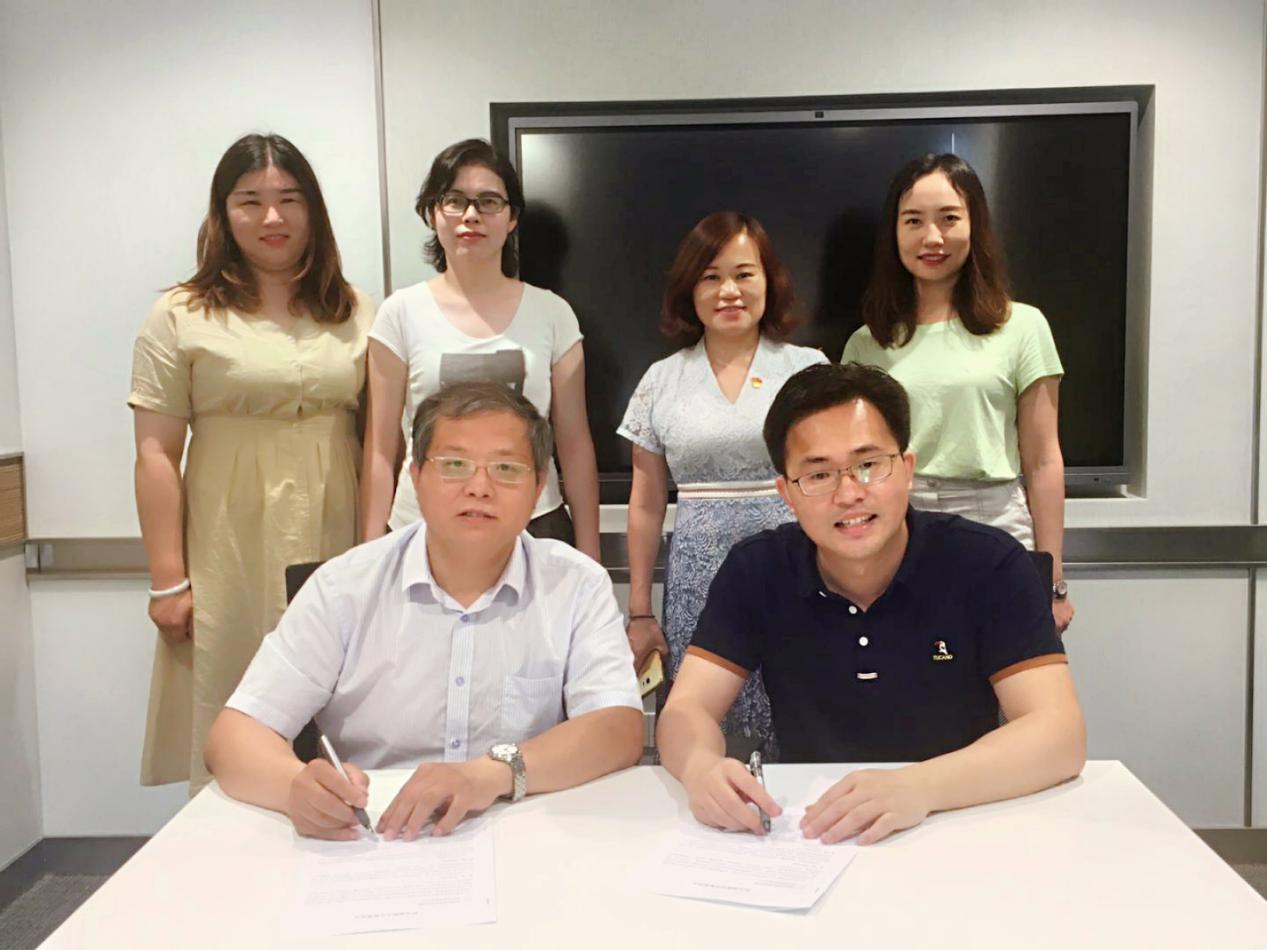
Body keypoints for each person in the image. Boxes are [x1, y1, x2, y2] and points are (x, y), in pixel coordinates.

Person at [657, 362, 1085, 845]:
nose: (849, 494)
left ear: (907, 469)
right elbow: (686, 709)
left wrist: (919, 787)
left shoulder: (987, 562)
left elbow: (1060, 733)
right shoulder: (757, 569)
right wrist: (700, 768)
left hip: (960, 820)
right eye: (819, 474)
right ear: (787, 494)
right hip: (814, 832)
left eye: (869, 465)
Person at [205, 382, 643, 841]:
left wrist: (491, 773)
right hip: (375, 837)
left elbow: (617, 728)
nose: (479, 488)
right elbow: (235, 736)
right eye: (454, 465)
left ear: (538, 489)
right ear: (415, 478)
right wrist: (294, 788)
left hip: (522, 834)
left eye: (506, 469)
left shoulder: (576, 584)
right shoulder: (344, 587)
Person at [129, 133, 375, 794]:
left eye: (289, 199)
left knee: (334, 691)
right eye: (250, 201)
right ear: (223, 213)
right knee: (232, 687)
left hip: (334, 527)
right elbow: (154, 453)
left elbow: (382, 443)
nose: (272, 217)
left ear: (313, 210)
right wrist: (167, 580)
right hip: (226, 538)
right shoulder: (179, 314)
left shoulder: (355, 310)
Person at [619, 211, 826, 758]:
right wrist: (640, 610)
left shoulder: (807, 371)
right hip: (696, 580)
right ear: (689, 289)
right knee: (702, 721)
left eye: (744, 274)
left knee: (803, 702)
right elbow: (645, 504)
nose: (728, 291)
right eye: (711, 277)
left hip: (797, 569)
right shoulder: (661, 379)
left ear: (769, 281)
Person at [842, 153, 1074, 632]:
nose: (932, 237)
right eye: (913, 221)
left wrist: (1053, 579)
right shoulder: (867, 342)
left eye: (949, 218)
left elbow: (1043, 461)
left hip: (996, 520)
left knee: (1007, 669)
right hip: (897, 524)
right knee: (902, 667)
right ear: (894, 233)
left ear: (975, 225)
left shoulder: (1023, 326)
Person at [360, 138, 600, 559]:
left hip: (533, 525)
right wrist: (368, 556)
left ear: (512, 217)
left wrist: (590, 556)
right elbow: (381, 450)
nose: (471, 215)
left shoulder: (552, 314)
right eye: (455, 200)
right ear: (433, 213)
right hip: (423, 526)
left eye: (489, 202)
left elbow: (575, 445)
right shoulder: (399, 314)